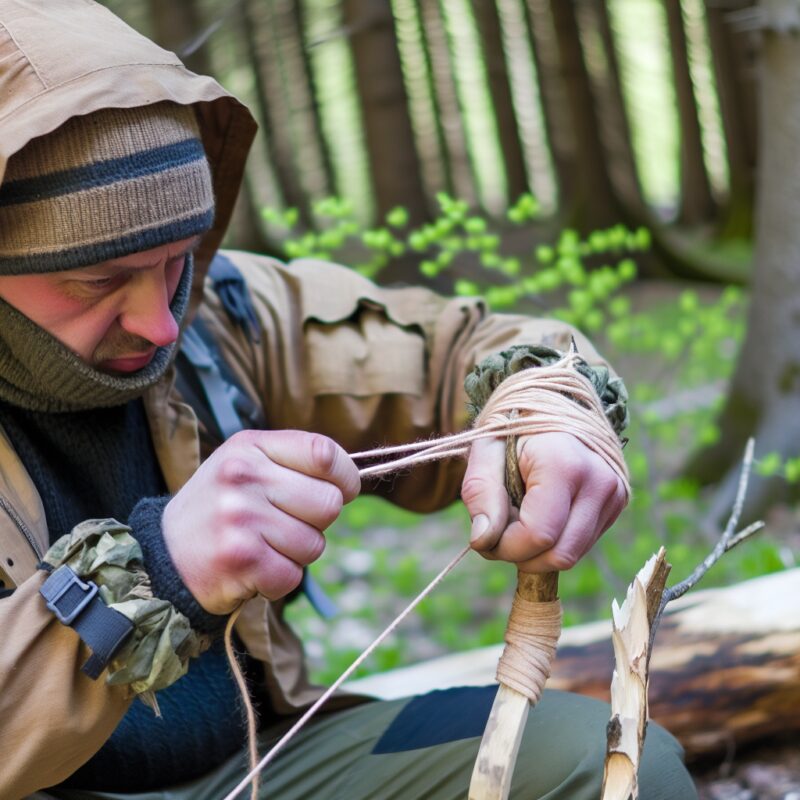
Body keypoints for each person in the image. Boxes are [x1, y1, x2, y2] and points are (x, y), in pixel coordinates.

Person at [0, 2, 696, 798]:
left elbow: (453, 350)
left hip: (260, 770)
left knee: (596, 763)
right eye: (98, 279)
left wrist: (548, 401)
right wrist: (157, 573)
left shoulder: (219, 317)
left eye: (175, 259)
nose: (159, 322)